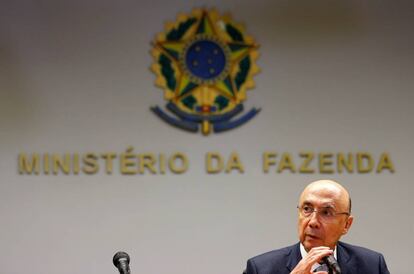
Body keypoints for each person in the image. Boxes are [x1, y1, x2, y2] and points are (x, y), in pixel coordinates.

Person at [245, 179, 390, 274]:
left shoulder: (372, 266)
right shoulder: (261, 268)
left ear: (346, 224)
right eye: (307, 209)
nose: (313, 222)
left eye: (326, 212)